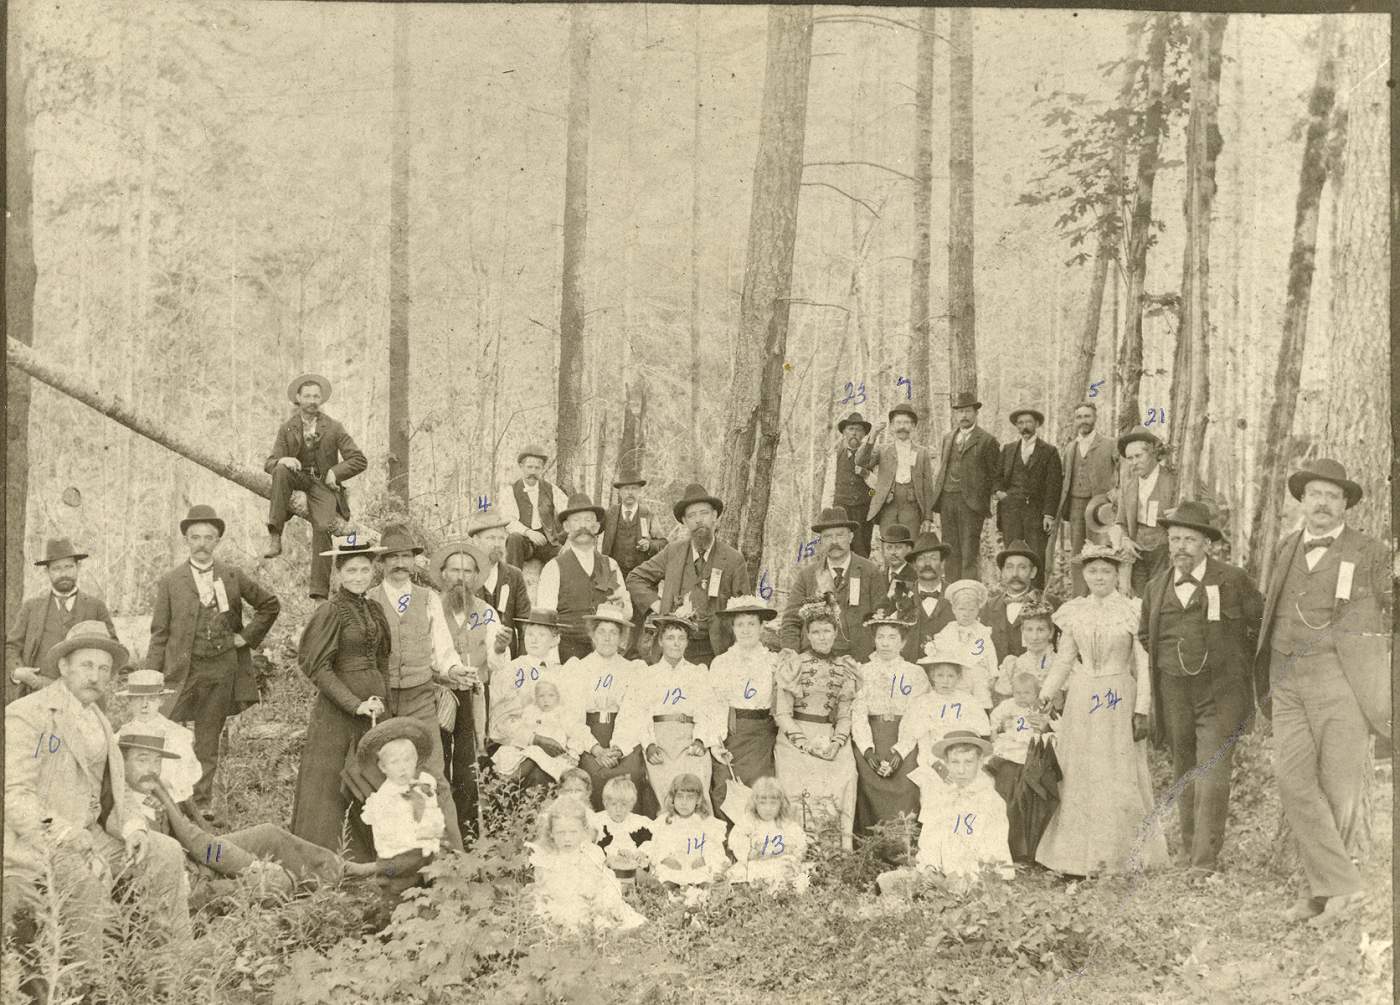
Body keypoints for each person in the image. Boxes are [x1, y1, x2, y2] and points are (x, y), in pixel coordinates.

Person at [3, 623, 190, 976]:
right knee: (83, 882)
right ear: (63, 667)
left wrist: (134, 828)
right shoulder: (29, 714)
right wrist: (66, 835)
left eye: (104, 669)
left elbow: (114, 796)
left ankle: (171, 970)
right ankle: (90, 987)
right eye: (87, 665)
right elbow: (14, 798)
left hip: (93, 837)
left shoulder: (101, 722)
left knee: (164, 852)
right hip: (41, 844)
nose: (96, 676)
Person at [1255, 459, 1390, 925]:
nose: (1323, 503)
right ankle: (1343, 886)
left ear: (1346, 504)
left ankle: (1322, 894)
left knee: (1339, 788)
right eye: (1315, 494)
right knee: (1292, 780)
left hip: (1344, 683)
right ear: (1302, 500)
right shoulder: (1287, 546)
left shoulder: (1369, 551)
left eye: (1333, 496)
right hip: (1288, 680)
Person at [1138, 501, 1262, 877]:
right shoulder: (1156, 587)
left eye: (1190, 539)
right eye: (1175, 539)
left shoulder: (1233, 580)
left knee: (1211, 771)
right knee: (1183, 770)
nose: (1181, 547)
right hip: (1174, 692)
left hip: (1219, 693)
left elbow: (1256, 626)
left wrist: (1233, 669)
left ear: (1207, 544)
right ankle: (1188, 852)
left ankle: (1204, 862)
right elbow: (1146, 635)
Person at [1035, 543, 1168, 877]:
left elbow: (1143, 662)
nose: (1099, 577)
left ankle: (1121, 856)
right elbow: (1065, 659)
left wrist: (1142, 710)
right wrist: (1046, 694)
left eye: (1106, 571)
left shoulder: (1131, 610)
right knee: (1079, 772)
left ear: (1117, 573)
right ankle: (1074, 859)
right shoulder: (1074, 611)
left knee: (1116, 772)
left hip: (1117, 695)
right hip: (1082, 698)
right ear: (1084, 574)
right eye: (1092, 570)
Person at [148, 504, 280, 823]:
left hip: (221, 670)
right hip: (182, 671)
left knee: (208, 740)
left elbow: (269, 605)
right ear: (186, 540)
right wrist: (151, 675)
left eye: (209, 537)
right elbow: (160, 631)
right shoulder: (170, 581)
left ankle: (201, 804)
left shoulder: (231, 576)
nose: (202, 543)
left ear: (218, 540)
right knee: (167, 732)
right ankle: (167, 800)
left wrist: (245, 638)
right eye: (196, 537)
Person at [126, 736, 376, 893]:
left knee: (269, 835)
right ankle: (314, 883)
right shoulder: (123, 808)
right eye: (142, 760)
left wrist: (248, 864)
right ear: (121, 763)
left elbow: (197, 842)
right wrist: (252, 868)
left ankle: (338, 869)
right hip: (191, 887)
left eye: (156, 761)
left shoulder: (155, 788)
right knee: (277, 884)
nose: (151, 769)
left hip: (200, 858)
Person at [290, 538, 391, 858]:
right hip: (337, 714)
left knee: (371, 778)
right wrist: (354, 703)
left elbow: (383, 657)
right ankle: (326, 859)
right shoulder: (330, 611)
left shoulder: (374, 608)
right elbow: (317, 667)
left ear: (373, 571)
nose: (359, 576)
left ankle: (370, 858)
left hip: (375, 710)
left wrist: (379, 696)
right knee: (330, 785)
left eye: (364, 569)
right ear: (338, 574)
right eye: (351, 570)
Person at [370, 525, 468, 849]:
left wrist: (455, 669)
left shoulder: (429, 600)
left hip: (420, 697)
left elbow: (443, 650)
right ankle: (396, 853)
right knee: (385, 774)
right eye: (392, 558)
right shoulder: (369, 600)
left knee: (433, 774)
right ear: (381, 563)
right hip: (382, 700)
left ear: (414, 562)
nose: (399, 564)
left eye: (405, 557)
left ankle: (453, 853)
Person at [428, 536, 510, 838]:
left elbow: (497, 663)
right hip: (438, 693)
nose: (460, 578)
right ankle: (438, 834)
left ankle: (468, 836)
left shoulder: (487, 611)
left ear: (476, 577)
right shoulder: (431, 606)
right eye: (454, 570)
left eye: (467, 572)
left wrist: (500, 648)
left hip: (474, 696)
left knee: (468, 766)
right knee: (438, 763)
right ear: (443, 574)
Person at [262, 373, 368, 599]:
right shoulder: (287, 427)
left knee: (323, 526)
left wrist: (335, 472)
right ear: (298, 398)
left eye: (316, 396)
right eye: (307, 396)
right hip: (298, 477)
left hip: (323, 484)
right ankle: (275, 535)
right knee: (280, 470)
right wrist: (283, 460)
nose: (312, 401)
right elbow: (269, 463)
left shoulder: (334, 427)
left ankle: (319, 593)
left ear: (321, 400)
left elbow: (359, 459)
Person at [627, 483, 752, 665]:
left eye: (704, 513)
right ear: (684, 522)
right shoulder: (673, 552)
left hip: (715, 651)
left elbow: (744, 611)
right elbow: (635, 578)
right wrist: (660, 605)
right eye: (692, 516)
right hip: (674, 649)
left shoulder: (733, 559)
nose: (698, 520)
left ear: (714, 516)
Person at [878, 731, 1013, 895]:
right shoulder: (939, 796)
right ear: (947, 764)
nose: (961, 770)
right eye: (955, 762)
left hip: (977, 876)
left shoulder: (992, 801)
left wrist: (975, 878)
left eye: (968, 762)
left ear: (980, 763)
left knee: (985, 892)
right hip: (942, 876)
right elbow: (930, 840)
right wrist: (930, 868)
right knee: (887, 882)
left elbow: (995, 848)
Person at [616, 613, 722, 812]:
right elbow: (640, 714)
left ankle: (698, 838)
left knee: (695, 791)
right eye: (670, 638)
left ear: (687, 643)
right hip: (660, 743)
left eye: (681, 638)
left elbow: (707, 710)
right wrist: (649, 745)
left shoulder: (697, 673)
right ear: (661, 641)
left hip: (690, 740)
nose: (676, 644)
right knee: (667, 799)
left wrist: (700, 741)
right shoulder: (647, 675)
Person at [775, 605, 860, 850]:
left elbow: (844, 715)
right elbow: (782, 713)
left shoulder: (845, 668)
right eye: (815, 632)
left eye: (826, 631)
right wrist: (803, 742)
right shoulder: (793, 664)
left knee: (847, 773)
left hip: (829, 735)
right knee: (798, 783)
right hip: (795, 737)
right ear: (808, 635)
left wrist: (837, 741)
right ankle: (800, 850)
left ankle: (835, 851)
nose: (822, 637)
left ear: (835, 633)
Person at [562, 604, 652, 814]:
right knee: (593, 774)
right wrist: (597, 750)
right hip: (589, 737)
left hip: (623, 736)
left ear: (622, 638)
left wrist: (618, 748)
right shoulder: (578, 668)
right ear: (592, 635)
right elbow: (572, 717)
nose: (607, 638)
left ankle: (631, 838)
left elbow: (633, 713)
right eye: (602, 632)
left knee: (631, 774)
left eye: (613, 633)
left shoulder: (632, 670)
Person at [6, 537, 116, 703]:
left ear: (78, 567)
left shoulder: (96, 607)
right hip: (40, 695)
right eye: (57, 568)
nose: (63, 573)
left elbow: (112, 647)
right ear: (47, 571)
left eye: (68, 567)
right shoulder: (31, 608)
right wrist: (17, 672)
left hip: (85, 699)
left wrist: (96, 680)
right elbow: (12, 646)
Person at [851, 611, 929, 838]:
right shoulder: (863, 671)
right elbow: (858, 714)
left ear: (903, 642)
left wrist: (900, 752)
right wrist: (867, 750)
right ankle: (872, 850)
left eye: (892, 637)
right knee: (867, 779)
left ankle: (904, 849)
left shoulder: (915, 673)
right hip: (872, 737)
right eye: (880, 637)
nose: (885, 643)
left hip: (904, 739)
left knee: (907, 782)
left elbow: (917, 715)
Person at [707, 595, 784, 820]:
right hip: (732, 733)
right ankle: (730, 847)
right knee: (726, 786)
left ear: (762, 627)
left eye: (752, 623)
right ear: (732, 628)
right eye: (740, 624)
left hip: (764, 735)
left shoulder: (774, 661)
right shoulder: (721, 662)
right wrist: (715, 744)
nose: (746, 630)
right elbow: (714, 705)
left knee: (761, 788)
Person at [781, 506, 889, 662]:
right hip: (815, 661)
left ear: (851, 537)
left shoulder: (869, 571)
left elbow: (882, 618)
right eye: (827, 537)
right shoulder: (807, 576)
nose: (834, 542)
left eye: (840, 535)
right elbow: (791, 621)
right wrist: (792, 657)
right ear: (821, 541)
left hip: (860, 660)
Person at [537, 493, 634, 662]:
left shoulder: (609, 565)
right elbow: (546, 621)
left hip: (605, 653)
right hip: (567, 653)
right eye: (576, 520)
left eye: (588, 520)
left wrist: (621, 606)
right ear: (566, 527)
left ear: (596, 527)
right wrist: (553, 661)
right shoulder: (554, 567)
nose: (583, 526)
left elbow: (627, 613)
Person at [359, 718, 448, 900]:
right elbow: (389, 835)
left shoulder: (424, 784)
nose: (403, 768)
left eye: (408, 760)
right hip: (398, 861)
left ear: (416, 760)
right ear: (382, 767)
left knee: (430, 893)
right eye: (395, 762)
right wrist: (420, 835)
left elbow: (433, 815)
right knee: (398, 899)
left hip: (425, 855)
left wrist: (434, 833)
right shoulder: (384, 798)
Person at [528, 795, 646, 932]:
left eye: (573, 832)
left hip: (590, 900)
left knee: (607, 907)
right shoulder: (548, 857)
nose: (567, 838)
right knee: (564, 916)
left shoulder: (590, 853)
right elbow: (545, 888)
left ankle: (598, 924)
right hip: (561, 902)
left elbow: (604, 880)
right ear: (551, 833)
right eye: (561, 832)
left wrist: (601, 898)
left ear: (583, 831)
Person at [488, 608, 567, 786]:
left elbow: (567, 715)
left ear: (555, 639)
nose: (534, 639)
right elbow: (499, 724)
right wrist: (535, 739)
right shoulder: (512, 670)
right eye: (530, 633)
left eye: (541, 635)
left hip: (555, 745)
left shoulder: (561, 673)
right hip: (518, 745)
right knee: (536, 776)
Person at [930, 391, 1001, 582]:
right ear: (955, 414)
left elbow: (995, 473)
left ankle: (968, 592)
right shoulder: (948, 438)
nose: (964, 415)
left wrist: (995, 492)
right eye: (960, 411)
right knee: (949, 547)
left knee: (969, 549)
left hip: (971, 502)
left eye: (968, 411)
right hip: (947, 499)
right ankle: (952, 589)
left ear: (975, 413)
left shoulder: (987, 440)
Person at [995, 407, 1063, 589]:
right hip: (1011, 512)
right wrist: (1000, 493)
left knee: (1036, 556)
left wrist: (1049, 514)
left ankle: (1036, 597)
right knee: (1012, 555)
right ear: (1017, 426)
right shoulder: (1008, 450)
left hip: (1036, 513)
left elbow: (1053, 486)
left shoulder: (1049, 451)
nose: (1025, 426)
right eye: (1021, 423)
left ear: (1037, 424)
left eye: (1029, 422)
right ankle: (1011, 594)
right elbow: (997, 478)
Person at [987, 673, 1052, 862]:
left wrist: (1044, 725)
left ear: (1036, 693)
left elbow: (1052, 725)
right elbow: (994, 718)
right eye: (1018, 692)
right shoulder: (1008, 706)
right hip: (1010, 747)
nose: (1022, 697)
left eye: (1027, 693)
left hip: (1029, 748)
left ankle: (1029, 846)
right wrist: (995, 730)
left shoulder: (1039, 707)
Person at [1055, 401, 1117, 596]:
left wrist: (1116, 492)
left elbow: (1123, 472)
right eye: (1080, 417)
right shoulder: (1070, 448)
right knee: (1077, 552)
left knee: (1100, 550)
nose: (1084, 421)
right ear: (1075, 421)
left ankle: (1101, 594)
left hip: (1099, 508)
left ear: (1095, 418)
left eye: (1087, 416)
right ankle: (1079, 596)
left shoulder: (1109, 444)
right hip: (1075, 505)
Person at [114, 668, 201, 804]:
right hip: (130, 801)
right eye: (138, 699)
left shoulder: (177, 734)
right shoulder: (121, 735)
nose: (144, 705)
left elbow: (192, 772)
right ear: (129, 701)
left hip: (170, 799)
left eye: (152, 699)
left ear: (161, 701)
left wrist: (164, 791)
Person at [1111, 425, 1178, 598]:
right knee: (1140, 599)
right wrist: (1125, 539)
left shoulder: (1174, 479)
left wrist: (1184, 511)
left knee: (1162, 595)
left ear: (1153, 453)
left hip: (1165, 549)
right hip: (1137, 551)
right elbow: (1121, 522)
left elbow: (1209, 506)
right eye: (1130, 458)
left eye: (1138, 456)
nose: (1134, 462)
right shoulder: (1129, 484)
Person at [895, 644, 990, 765]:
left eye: (950, 676)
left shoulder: (969, 701)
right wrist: (900, 753)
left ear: (959, 677)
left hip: (965, 757)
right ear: (932, 676)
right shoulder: (923, 702)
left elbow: (982, 732)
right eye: (940, 675)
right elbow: (914, 735)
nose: (945, 681)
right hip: (933, 759)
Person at [855, 403, 936, 543]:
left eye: (906, 423)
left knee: (910, 547)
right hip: (888, 507)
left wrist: (928, 517)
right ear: (892, 427)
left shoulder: (922, 453)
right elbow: (861, 461)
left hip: (912, 509)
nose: (902, 427)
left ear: (913, 426)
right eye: (898, 423)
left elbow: (928, 487)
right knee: (889, 545)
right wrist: (872, 436)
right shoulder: (882, 450)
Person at [650, 773, 728, 902]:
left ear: (698, 800)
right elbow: (656, 845)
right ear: (673, 799)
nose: (684, 802)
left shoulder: (706, 822)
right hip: (673, 863)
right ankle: (671, 893)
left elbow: (715, 848)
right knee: (665, 877)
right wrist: (665, 859)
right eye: (680, 797)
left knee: (704, 877)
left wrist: (705, 859)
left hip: (696, 863)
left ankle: (700, 893)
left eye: (690, 798)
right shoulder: (665, 820)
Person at [982, 540, 1060, 666]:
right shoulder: (988, 607)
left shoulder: (1050, 603)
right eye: (1009, 567)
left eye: (1022, 567)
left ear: (1033, 572)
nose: (1015, 574)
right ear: (1002, 572)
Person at [726, 776, 809, 890]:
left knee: (788, 871)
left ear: (781, 804)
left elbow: (799, 840)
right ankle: (760, 887)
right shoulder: (750, 820)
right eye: (763, 803)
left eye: (773, 803)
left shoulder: (785, 822)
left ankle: (778, 887)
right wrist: (748, 854)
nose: (768, 808)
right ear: (755, 803)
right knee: (740, 873)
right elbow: (737, 838)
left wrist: (792, 851)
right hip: (757, 861)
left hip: (779, 861)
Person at [468, 511, 532, 659]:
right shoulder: (464, 574)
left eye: (501, 538)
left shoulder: (514, 575)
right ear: (476, 540)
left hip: (506, 657)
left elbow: (525, 623)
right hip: (473, 658)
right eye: (491, 538)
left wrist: (522, 661)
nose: (497, 543)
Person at [499, 444, 570, 569]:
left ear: (542, 468)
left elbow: (568, 511)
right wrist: (528, 532)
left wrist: (567, 537)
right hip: (524, 541)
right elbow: (508, 520)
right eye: (529, 467)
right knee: (514, 538)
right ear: (521, 467)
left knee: (565, 559)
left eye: (537, 468)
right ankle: (512, 582)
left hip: (547, 542)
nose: (533, 472)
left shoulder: (551, 489)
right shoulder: (511, 490)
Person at [931, 580, 996, 711]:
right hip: (956, 675)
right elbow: (940, 650)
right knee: (956, 700)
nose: (966, 614)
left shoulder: (982, 631)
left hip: (977, 673)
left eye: (972, 609)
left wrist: (993, 673)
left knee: (979, 697)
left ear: (978, 610)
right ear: (954, 609)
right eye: (961, 609)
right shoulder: (948, 630)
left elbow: (990, 653)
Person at [820, 411, 877, 557]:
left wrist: (866, 474)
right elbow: (829, 485)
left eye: (858, 430)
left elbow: (878, 487)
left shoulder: (873, 456)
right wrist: (826, 512)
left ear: (864, 435)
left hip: (863, 511)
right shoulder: (836, 456)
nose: (854, 434)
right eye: (851, 429)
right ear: (844, 432)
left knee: (862, 550)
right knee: (841, 549)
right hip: (841, 510)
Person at [898, 532, 956, 662]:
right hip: (910, 674)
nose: (927, 564)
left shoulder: (956, 596)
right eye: (921, 559)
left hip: (947, 675)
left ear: (942, 563)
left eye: (933, 558)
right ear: (914, 565)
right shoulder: (900, 597)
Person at [592, 777, 655, 885]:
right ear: (605, 803)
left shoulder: (640, 823)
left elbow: (653, 842)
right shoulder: (597, 821)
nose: (618, 809)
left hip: (633, 870)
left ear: (631, 805)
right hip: (606, 870)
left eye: (624, 805)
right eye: (613, 804)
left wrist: (642, 853)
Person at [993, 599, 1059, 698]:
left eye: (1040, 630)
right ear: (1022, 631)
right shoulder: (1013, 665)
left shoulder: (1061, 664)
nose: (1034, 637)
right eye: (1029, 629)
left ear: (1051, 632)